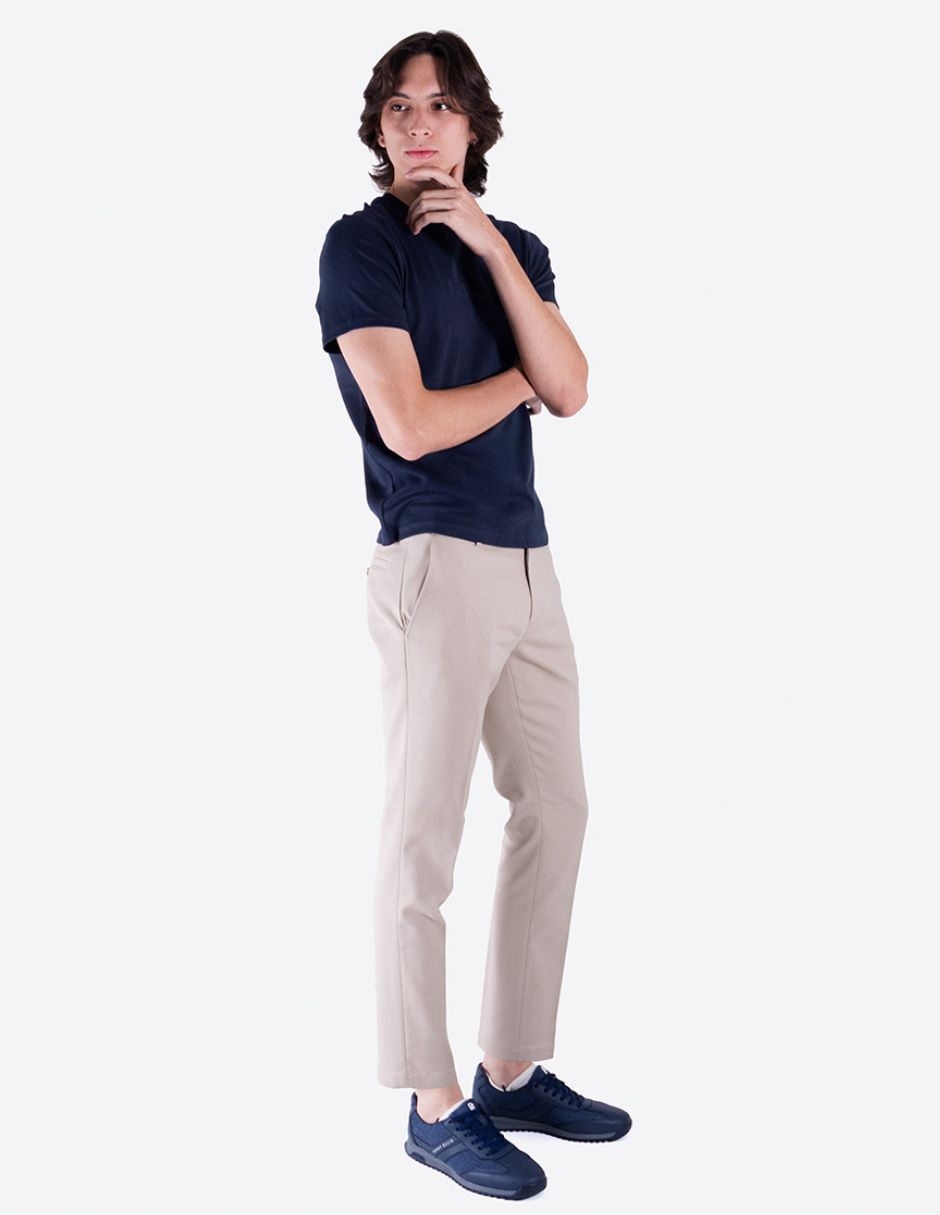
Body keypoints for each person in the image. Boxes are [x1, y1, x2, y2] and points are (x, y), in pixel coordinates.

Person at [315, 30, 631, 1200]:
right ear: (378, 128)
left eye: (441, 106)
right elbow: (410, 425)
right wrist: (522, 380)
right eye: (398, 107)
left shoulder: (519, 249)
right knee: (423, 839)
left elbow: (575, 390)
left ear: (474, 127)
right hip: (433, 561)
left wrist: (493, 248)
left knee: (557, 807)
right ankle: (431, 1101)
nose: (418, 124)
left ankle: (508, 1070)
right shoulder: (361, 249)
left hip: (529, 560)